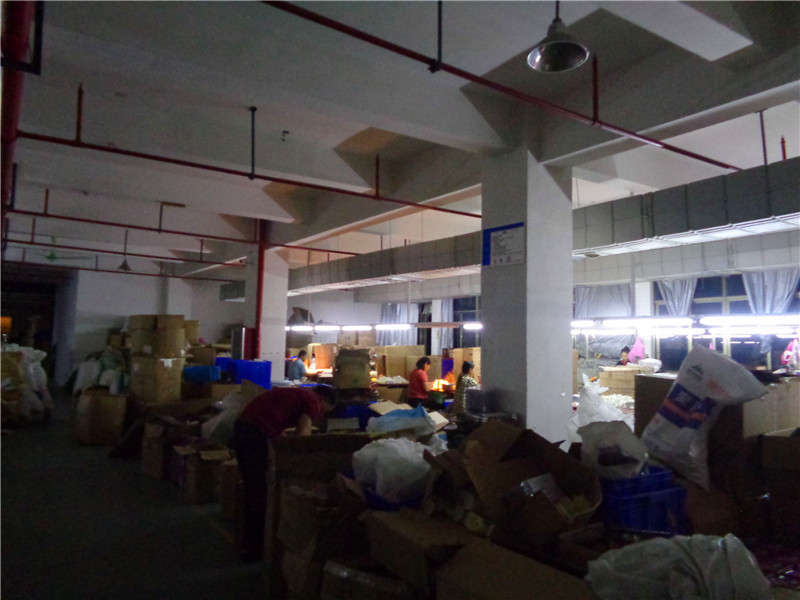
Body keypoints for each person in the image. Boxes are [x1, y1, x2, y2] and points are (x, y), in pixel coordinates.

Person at [232, 384, 337, 562]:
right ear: (325, 400)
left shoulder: (296, 392)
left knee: (252, 488)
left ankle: (247, 543)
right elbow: (302, 437)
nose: (320, 415)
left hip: (241, 428)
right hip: (255, 434)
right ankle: (256, 548)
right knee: (260, 492)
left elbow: (277, 424)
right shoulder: (313, 400)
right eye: (325, 411)